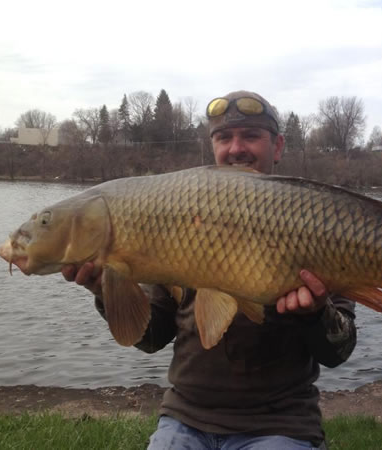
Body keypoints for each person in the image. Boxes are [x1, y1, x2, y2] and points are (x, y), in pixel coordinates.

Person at [62, 90, 356, 449]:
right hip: (186, 419)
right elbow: (152, 337)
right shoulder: (177, 222)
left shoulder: (314, 221)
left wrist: (315, 314)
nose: (236, 148)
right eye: (224, 137)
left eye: (250, 135)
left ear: (277, 147)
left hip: (281, 423)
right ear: (212, 146)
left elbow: (338, 354)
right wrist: (103, 290)